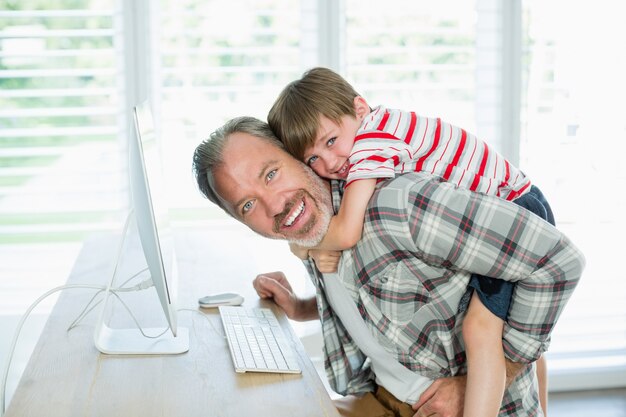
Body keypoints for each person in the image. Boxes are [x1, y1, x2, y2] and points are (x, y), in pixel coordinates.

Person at [191, 116, 584, 417]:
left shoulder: (400, 206)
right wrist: (302, 307)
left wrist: (493, 375)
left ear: (296, 154)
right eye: (247, 205)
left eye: (271, 173)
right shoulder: (312, 228)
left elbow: (557, 262)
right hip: (380, 396)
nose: (274, 205)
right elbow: (374, 301)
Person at [267, 67, 555, 416]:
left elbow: (346, 232)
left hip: (515, 210)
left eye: (331, 141)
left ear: (360, 108)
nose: (330, 162)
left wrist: (307, 245)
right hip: (521, 196)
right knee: (508, 334)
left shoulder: (371, 146)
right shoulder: (374, 134)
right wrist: (303, 297)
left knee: (481, 330)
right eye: (313, 158)